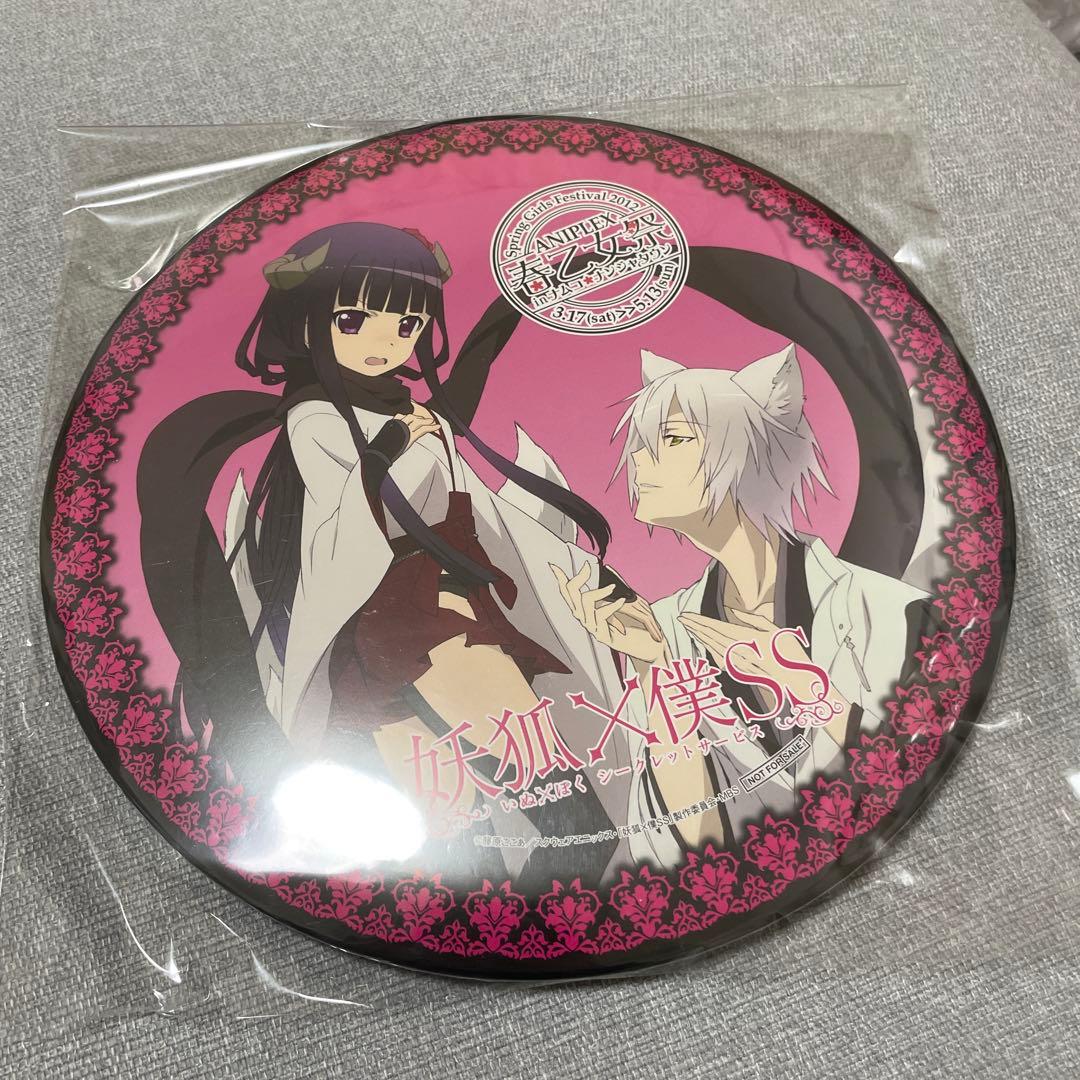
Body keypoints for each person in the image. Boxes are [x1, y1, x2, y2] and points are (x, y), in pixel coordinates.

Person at [554, 343, 933, 869]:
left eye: (673, 438)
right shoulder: (664, 630)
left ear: (752, 454)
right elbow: (693, 848)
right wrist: (655, 667)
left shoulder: (886, 609)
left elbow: (914, 760)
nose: (639, 459)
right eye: (643, 442)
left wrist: (808, 688)